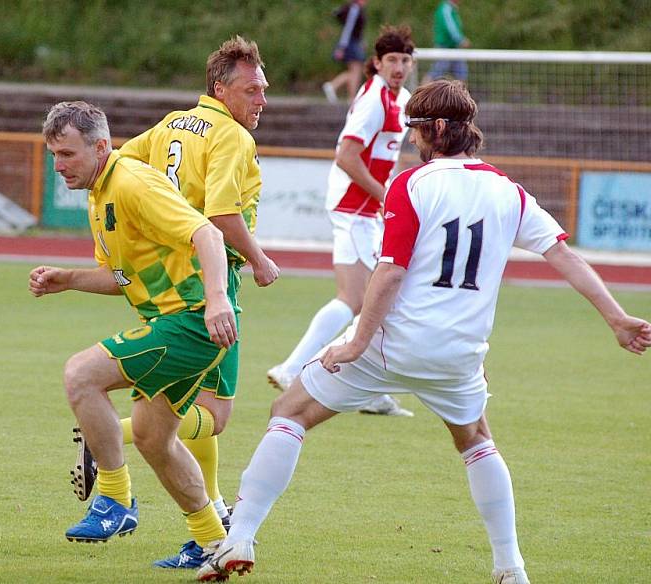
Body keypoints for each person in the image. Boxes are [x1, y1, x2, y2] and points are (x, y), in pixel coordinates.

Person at [196, 80, 651, 584]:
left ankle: (240, 537)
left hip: (394, 345)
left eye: (414, 130)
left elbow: (389, 273)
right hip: (460, 355)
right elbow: (562, 255)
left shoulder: (411, 184)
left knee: (289, 411)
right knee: (477, 440)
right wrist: (616, 317)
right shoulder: (509, 190)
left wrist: (356, 342)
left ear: (436, 129)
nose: (410, 140)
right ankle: (511, 568)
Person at [70, 36, 279, 570]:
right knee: (211, 414)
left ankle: (206, 532)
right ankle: (116, 453)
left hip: (168, 277)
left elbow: (120, 160)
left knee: (182, 419)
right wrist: (257, 259)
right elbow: (222, 218)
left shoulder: (173, 123)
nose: (261, 99)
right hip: (208, 284)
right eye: (252, 89)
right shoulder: (233, 137)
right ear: (220, 88)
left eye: (264, 89)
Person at [30, 101, 238, 557]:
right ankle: (212, 542)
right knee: (152, 438)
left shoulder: (132, 182)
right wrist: (69, 280)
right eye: (53, 155)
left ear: (101, 146)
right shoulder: (98, 193)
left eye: (66, 154)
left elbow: (209, 234)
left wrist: (219, 299)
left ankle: (115, 499)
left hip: (191, 321)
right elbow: (122, 277)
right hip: (176, 323)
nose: (58, 165)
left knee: (80, 374)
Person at [268, 25, 416, 417]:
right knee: (356, 299)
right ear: (377, 63)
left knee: (377, 301)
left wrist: (395, 187)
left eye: (405, 60)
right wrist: (386, 195)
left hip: (367, 210)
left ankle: (369, 389)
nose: (399, 67)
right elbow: (347, 156)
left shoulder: (400, 99)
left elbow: (387, 155)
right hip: (355, 208)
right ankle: (294, 368)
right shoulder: (373, 100)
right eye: (392, 60)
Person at [322, 0, 367, 104]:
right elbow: (348, 28)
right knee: (355, 70)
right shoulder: (354, 9)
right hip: (350, 43)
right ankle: (336, 87)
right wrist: (341, 47)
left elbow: (358, 29)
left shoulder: (358, 9)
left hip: (355, 42)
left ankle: (349, 95)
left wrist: (361, 41)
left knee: (355, 71)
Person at [424, 0, 471, 83]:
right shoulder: (446, 9)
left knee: (462, 75)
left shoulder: (452, 9)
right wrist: (460, 40)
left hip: (454, 48)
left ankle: (462, 95)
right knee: (435, 74)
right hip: (444, 47)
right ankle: (420, 94)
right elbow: (450, 28)